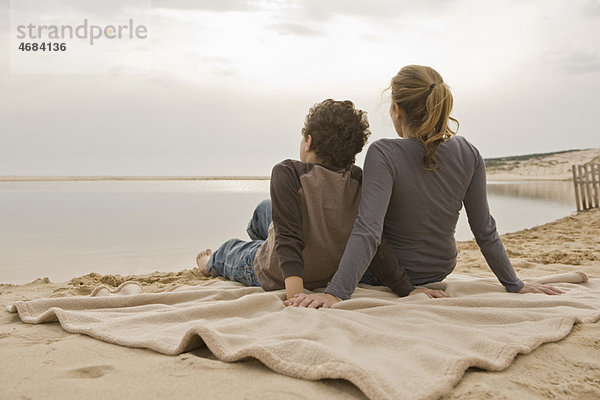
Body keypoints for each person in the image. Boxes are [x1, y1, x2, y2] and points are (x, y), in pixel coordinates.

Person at [286, 65, 563, 308]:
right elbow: (484, 229)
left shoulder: (384, 153)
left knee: (268, 213)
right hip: (441, 269)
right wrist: (514, 283)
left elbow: (369, 230)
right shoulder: (469, 152)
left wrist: (336, 293)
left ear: (397, 110)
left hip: (390, 274)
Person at [196, 99, 441, 301]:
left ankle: (209, 263)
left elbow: (289, 237)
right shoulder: (358, 179)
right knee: (265, 209)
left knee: (232, 250)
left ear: (309, 140)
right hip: (328, 269)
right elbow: (376, 240)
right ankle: (263, 237)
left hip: (281, 272)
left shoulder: (288, 172)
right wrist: (407, 289)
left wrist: (295, 294)